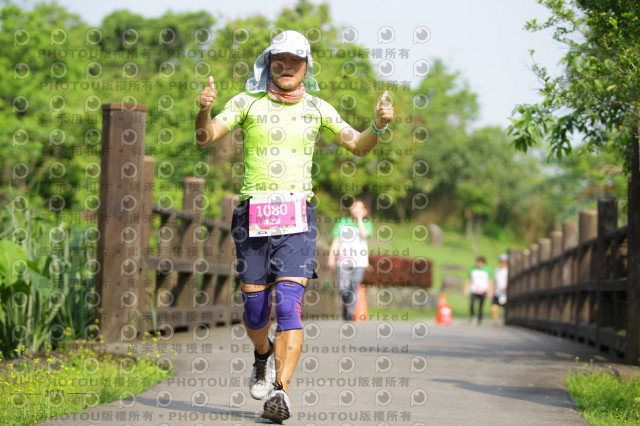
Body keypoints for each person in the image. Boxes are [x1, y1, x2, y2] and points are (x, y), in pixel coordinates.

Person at [195, 30, 393, 424]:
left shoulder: (317, 107)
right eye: (278, 60)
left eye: (295, 61)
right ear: (268, 62)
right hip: (253, 216)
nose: (286, 67)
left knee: (288, 303)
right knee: (254, 311)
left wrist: (378, 125)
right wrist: (202, 109)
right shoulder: (246, 101)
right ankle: (262, 356)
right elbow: (206, 136)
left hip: (297, 218)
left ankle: (281, 391)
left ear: (307, 66)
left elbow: (358, 144)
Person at [327, 199, 373, 321]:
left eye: (360, 207)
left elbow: (365, 234)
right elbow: (336, 241)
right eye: (354, 207)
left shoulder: (366, 223)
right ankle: (346, 303)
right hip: (343, 259)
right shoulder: (342, 222)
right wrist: (331, 258)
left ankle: (350, 313)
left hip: (360, 261)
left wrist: (359, 220)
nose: (356, 210)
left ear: (364, 211)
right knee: (343, 287)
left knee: (355, 285)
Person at [464, 256, 493, 326]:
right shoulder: (473, 269)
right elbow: (468, 280)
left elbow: (490, 281)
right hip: (474, 290)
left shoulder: (487, 270)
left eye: (481, 262)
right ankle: (472, 316)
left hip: (483, 290)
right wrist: (466, 290)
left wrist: (491, 291)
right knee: (471, 304)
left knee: (481, 306)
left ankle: (479, 319)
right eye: (478, 262)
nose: (479, 263)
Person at [491, 254, 509, 325]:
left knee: (505, 310)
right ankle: (496, 323)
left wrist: (505, 287)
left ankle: (505, 323)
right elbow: (494, 281)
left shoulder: (508, 270)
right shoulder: (497, 270)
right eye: (501, 261)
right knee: (493, 309)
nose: (502, 263)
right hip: (497, 292)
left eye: (504, 261)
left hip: (506, 293)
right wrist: (492, 290)